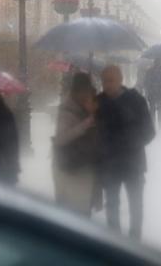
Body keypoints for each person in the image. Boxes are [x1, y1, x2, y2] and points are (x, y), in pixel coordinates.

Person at [96, 65, 155, 240]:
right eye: (104, 81)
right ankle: (115, 241)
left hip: (133, 163)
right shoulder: (98, 102)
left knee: (136, 205)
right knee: (112, 204)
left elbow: (149, 132)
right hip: (109, 164)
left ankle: (134, 240)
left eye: (111, 80)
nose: (107, 85)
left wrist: (129, 142)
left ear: (121, 80)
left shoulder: (136, 100)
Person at [52, 73, 100, 216]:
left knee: (83, 211)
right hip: (69, 167)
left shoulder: (88, 105)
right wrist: (86, 124)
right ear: (76, 92)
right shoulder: (67, 111)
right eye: (84, 92)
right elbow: (60, 139)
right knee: (70, 212)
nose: (86, 96)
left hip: (84, 166)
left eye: (88, 92)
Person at [144, 59, 161, 128]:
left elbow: (146, 83)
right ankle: (155, 124)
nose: (159, 64)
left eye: (160, 63)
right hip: (154, 93)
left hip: (157, 93)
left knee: (157, 109)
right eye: (158, 63)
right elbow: (146, 83)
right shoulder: (150, 72)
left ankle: (158, 123)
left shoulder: (150, 71)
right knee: (155, 109)